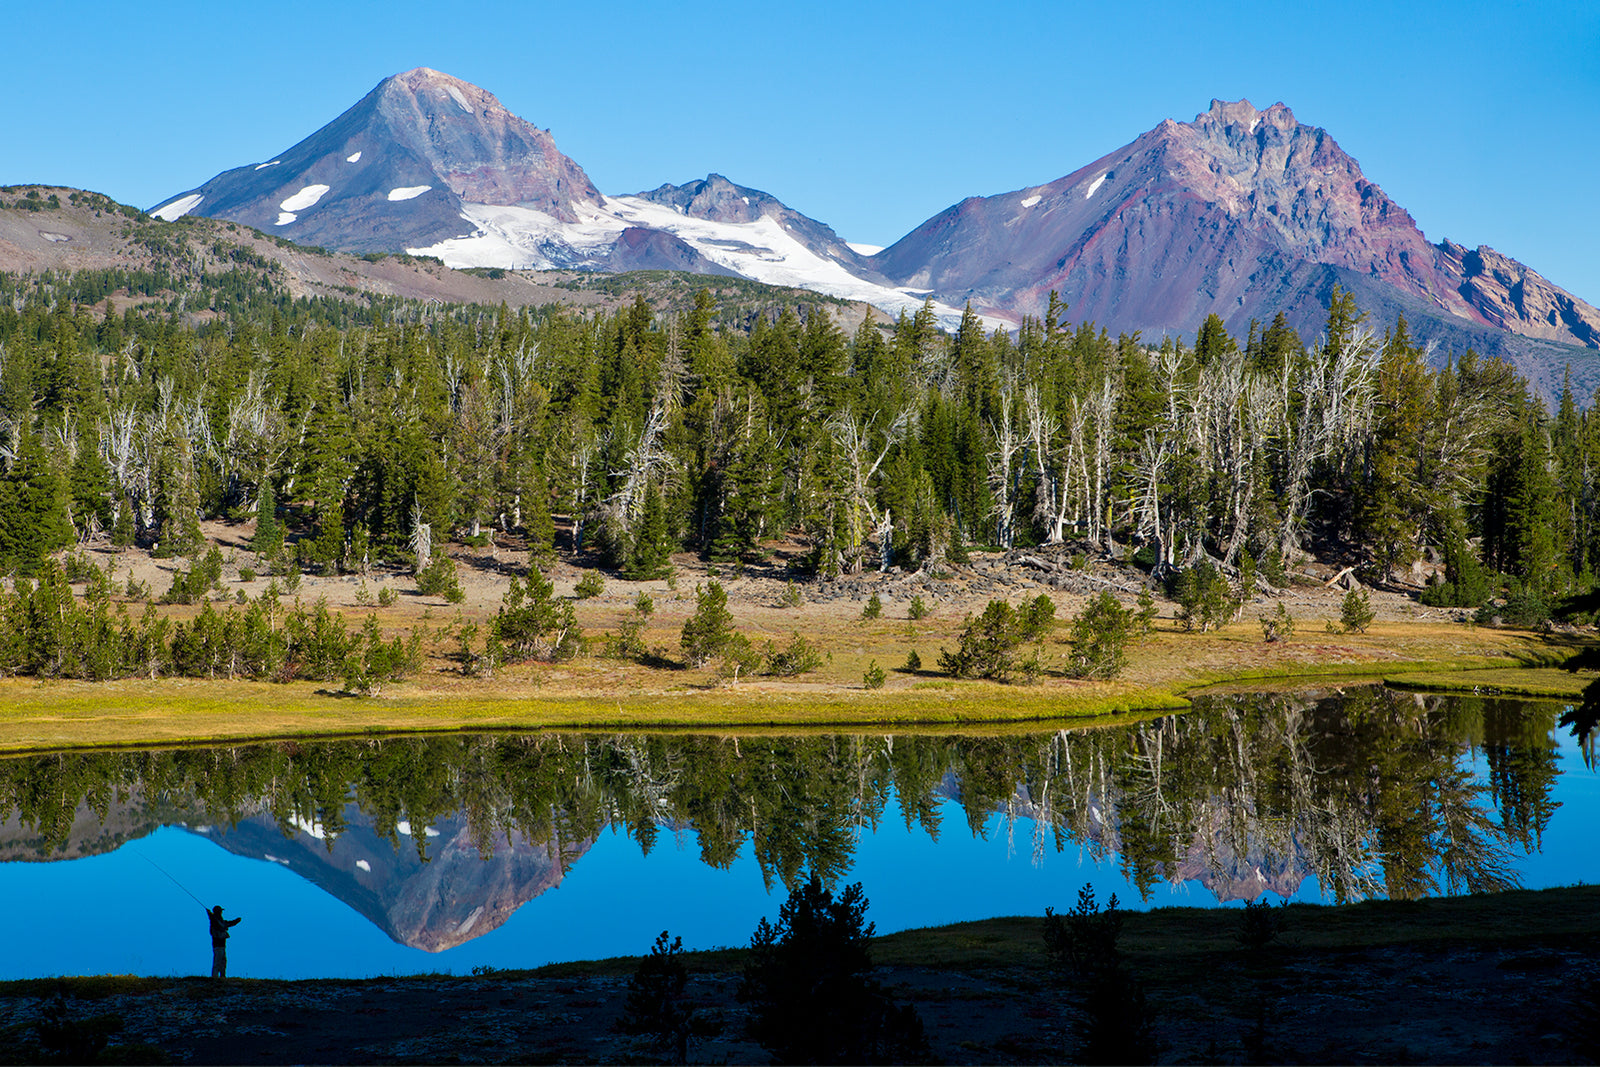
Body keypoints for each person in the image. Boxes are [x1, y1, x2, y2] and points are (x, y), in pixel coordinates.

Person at [208, 905, 242, 978]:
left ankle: (222, 977)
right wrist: (210, 914)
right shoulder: (215, 922)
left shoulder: (220, 921)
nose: (221, 913)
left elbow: (229, 923)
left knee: (223, 962)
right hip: (218, 946)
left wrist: (236, 921)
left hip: (222, 946)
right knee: (217, 961)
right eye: (220, 911)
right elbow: (214, 921)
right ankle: (215, 977)